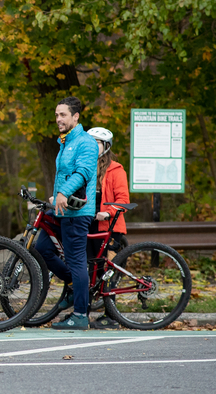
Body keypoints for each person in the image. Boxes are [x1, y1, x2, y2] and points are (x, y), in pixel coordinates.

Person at [34, 96, 98, 330]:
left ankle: (80, 315)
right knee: (42, 248)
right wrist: (57, 197)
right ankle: (72, 283)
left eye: (62, 114)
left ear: (75, 116)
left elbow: (83, 173)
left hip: (77, 213)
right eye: (56, 115)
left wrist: (62, 193)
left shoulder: (86, 142)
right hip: (63, 210)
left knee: (76, 261)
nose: (58, 119)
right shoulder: (66, 142)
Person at [86, 126, 129, 329]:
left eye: (97, 142)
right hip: (88, 226)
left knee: (107, 273)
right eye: (90, 142)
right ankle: (82, 313)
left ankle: (111, 317)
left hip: (109, 226)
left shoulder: (116, 170)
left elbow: (123, 200)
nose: (93, 146)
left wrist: (108, 211)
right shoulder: (84, 166)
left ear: (106, 146)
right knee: (90, 270)